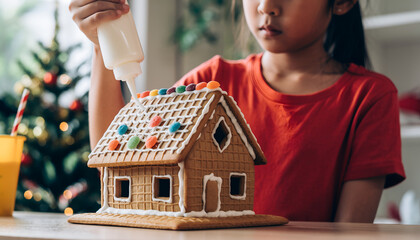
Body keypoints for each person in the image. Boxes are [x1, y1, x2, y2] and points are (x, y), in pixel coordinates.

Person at [69, 0, 405, 222]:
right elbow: (116, 160)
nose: (266, 6)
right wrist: (103, 43)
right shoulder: (211, 83)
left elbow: (349, 231)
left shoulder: (368, 97)